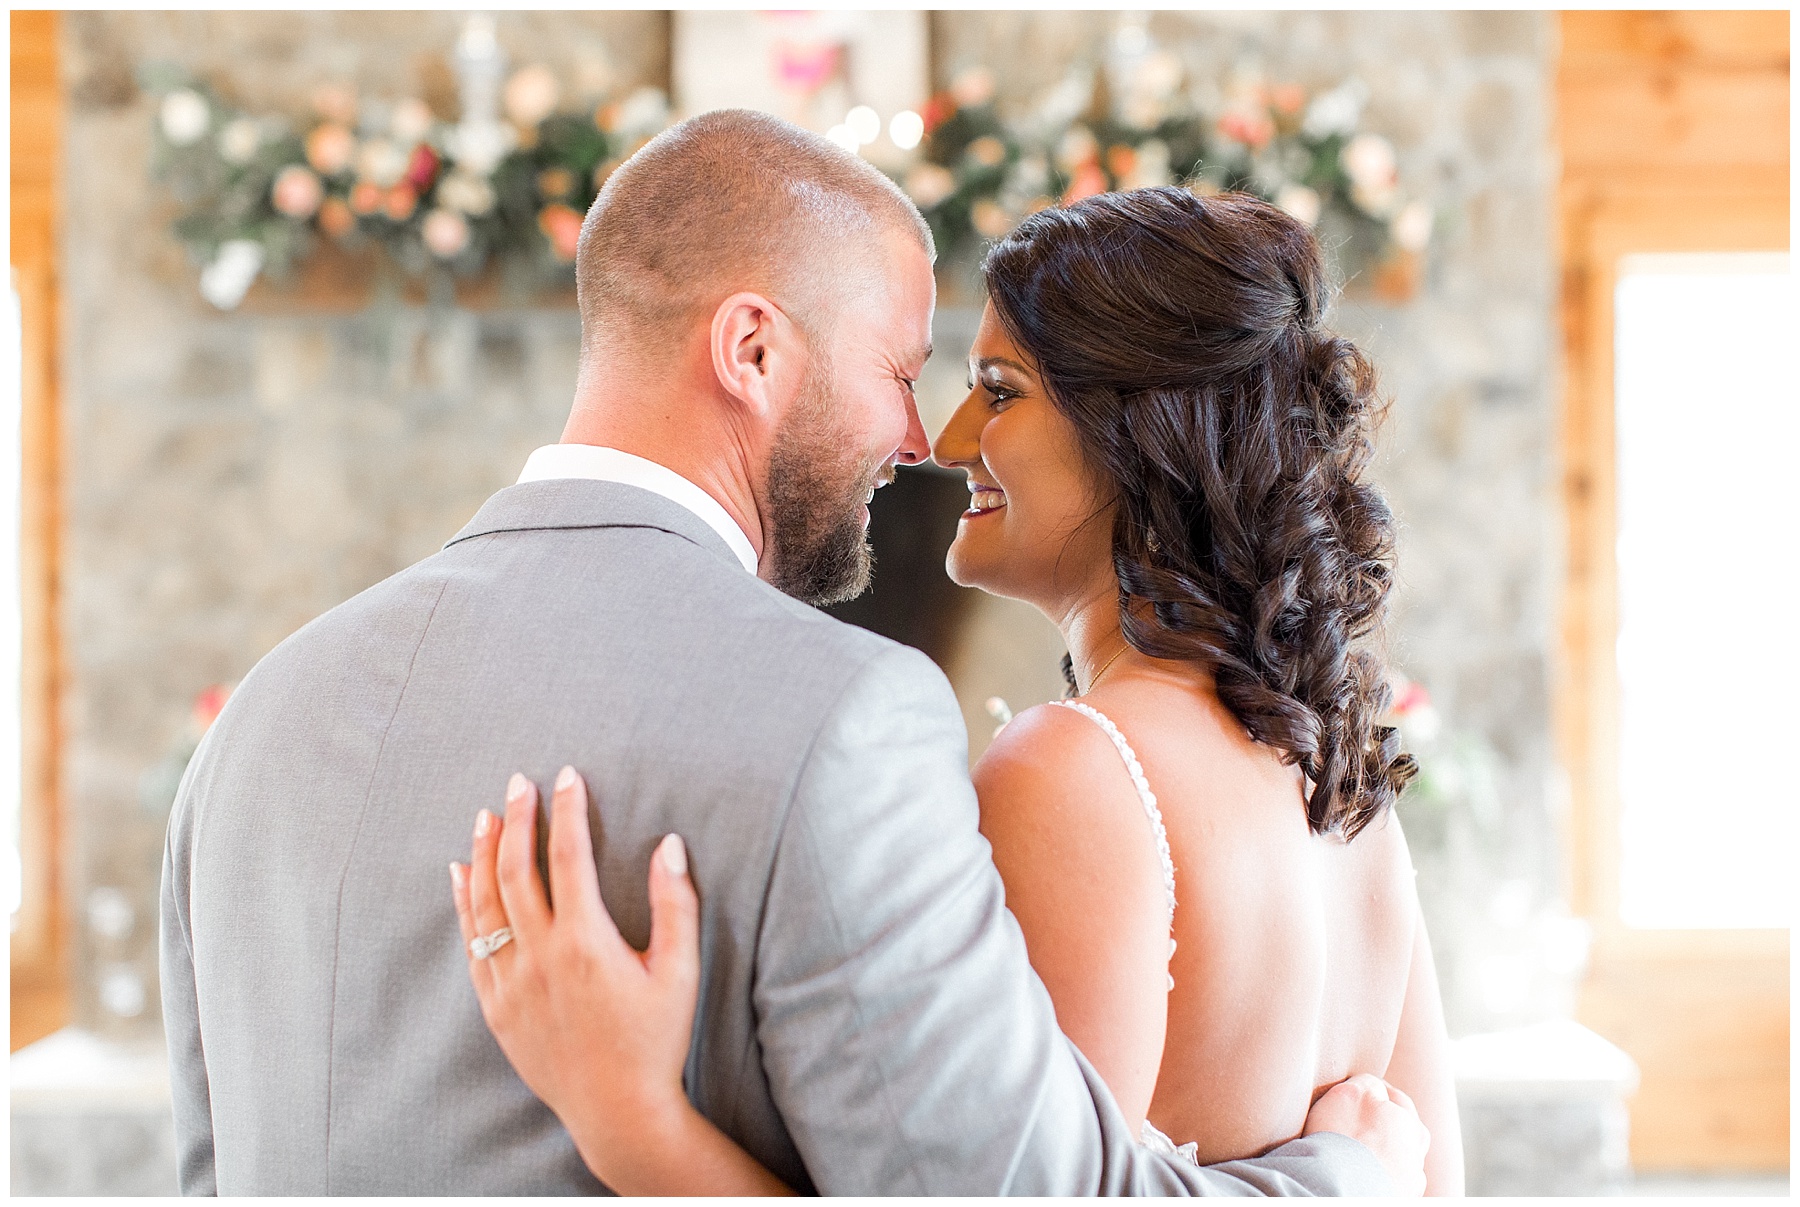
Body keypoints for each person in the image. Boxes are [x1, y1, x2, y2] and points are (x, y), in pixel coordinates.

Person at [161, 108, 1422, 1195]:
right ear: (752, 350)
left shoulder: (257, 725)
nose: (921, 438)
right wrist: (1346, 1174)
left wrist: (643, 1122)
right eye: (901, 370)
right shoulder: (850, 719)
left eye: (985, 386)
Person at [450, 188, 1465, 1191]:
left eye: (1000, 390)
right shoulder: (1345, 793)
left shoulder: (1081, 772)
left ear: (1138, 434)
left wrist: (631, 1117)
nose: (945, 438)